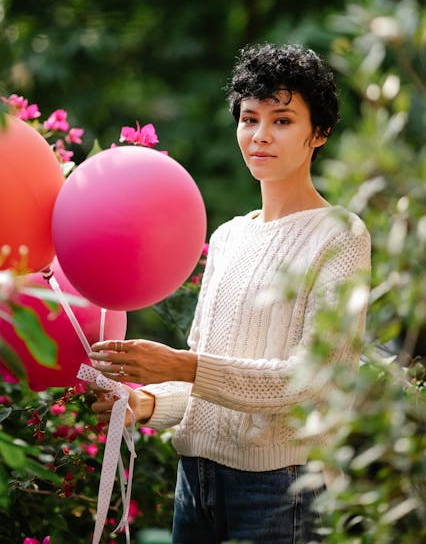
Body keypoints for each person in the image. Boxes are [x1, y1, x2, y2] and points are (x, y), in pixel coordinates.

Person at [89, 43, 371, 544]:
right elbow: (206, 383)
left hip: (280, 491)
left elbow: (312, 382)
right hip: (194, 485)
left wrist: (180, 366)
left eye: (282, 121)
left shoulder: (341, 236)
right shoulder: (227, 237)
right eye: (249, 119)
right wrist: (145, 402)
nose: (260, 136)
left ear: (319, 133)